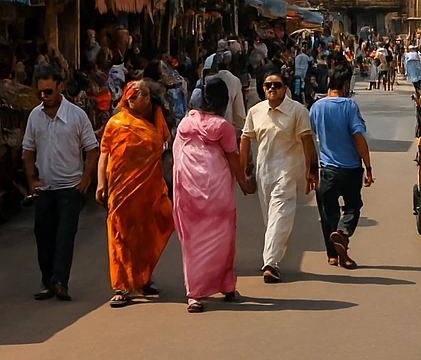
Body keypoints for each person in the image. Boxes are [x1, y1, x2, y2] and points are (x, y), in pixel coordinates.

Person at [172, 79, 251, 313]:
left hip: (189, 190)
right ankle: (226, 286)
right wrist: (244, 182)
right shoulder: (223, 127)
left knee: (192, 243)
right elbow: (233, 158)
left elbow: (177, 156)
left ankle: (194, 295)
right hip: (217, 192)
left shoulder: (185, 124)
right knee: (224, 239)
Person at [22, 65, 99, 301]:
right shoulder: (35, 116)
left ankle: (59, 282)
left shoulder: (77, 116)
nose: (44, 97)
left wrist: (86, 179)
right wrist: (31, 180)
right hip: (45, 188)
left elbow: (92, 150)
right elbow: (27, 152)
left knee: (65, 235)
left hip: (70, 188)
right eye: (41, 93)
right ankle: (47, 281)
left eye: (48, 92)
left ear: (60, 87)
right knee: (43, 235)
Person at [96, 79, 175, 307]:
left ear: (148, 98)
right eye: (130, 91)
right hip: (120, 190)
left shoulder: (156, 123)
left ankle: (142, 279)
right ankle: (121, 285)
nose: (131, 95)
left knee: (147, 234)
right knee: (120, 235)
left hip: (150, 190)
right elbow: (104, 154)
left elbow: (166, 152)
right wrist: (101, 184)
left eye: (138, 92)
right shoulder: (116, 123)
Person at [240, 66, 318, 283]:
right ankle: (271, 256)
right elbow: (246, 138)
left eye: (277, 85)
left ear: (285, 88)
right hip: (263, 173)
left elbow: (307, 142)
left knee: (281, 215)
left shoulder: (298, 111)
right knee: (271, 218)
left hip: (287, 172)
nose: (272, 89)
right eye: (268, 85)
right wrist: (245, 168)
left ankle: (271, 263)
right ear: (262, 88)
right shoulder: (255, 112)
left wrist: (312, 171)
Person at [309, 66, 374, 270]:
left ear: (329, 82)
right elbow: (358, 138)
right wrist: (369, 166)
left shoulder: (316, 107)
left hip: (326, 170)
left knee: (328, 214)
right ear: (346, 85)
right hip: (351, 169)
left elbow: (309, 136)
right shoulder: (349, 106)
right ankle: (344, 234)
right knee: (353, 207)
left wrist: (309, 168)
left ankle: (333, 255)